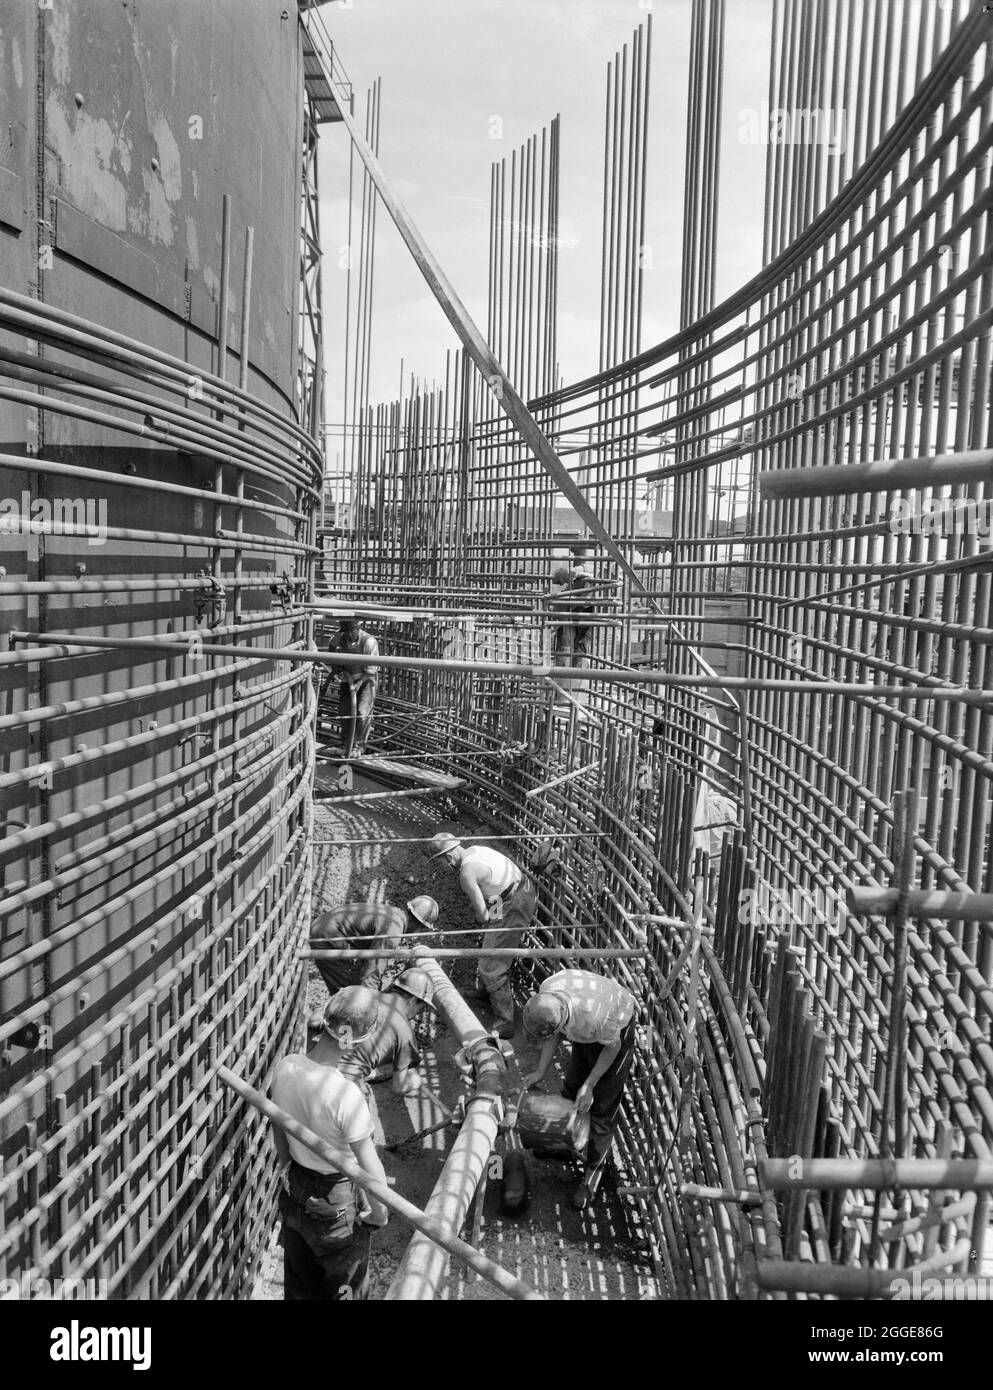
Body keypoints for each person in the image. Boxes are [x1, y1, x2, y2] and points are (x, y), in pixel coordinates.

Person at [270, 988, 390, 1300]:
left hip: (295, 1189)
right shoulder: (345, 1095)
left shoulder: (287, 1065)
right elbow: (369, 1165)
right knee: (343, 1288)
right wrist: (379, 1213)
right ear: (356, 1040)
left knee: (300, 1287)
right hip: (335, 1203)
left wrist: (285, 1165)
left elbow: (278, 1125)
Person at [521, 968, 637, 1209]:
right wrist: (540, 1071)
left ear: (564, 1016)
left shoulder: (595, 1016)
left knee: (601, 1110)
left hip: (613, 1036)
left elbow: (611, 1046)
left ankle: (591, 1179)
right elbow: (554, 1034)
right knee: (571, 1089)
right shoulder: (548, 991)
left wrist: (591, 1085)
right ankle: (564, 1144)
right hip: (585, 1031)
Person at [428, 833, 536, 1039]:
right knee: (490, 945)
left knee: (491, 965)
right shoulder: (476, 850)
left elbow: (482, 915)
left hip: (513, 903)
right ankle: (488, 993)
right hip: (511, 894)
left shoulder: (466, 874)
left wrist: (479, 919)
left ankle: (505, 1022)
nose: (441, 866)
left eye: (439, 861)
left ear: (448, 856)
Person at [309, 896, 439, 1000]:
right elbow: (373, 969)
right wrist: (370, 1000)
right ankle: (341, 1020)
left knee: (354, 986)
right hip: (327, 938)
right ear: (419, 926)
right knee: (351, 992)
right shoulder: (393, 930)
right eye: (421, 929)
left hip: (326, 929)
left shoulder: (394, 914)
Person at [334, 970, 437, 1096]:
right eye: (420, 1008)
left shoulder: (360, 993)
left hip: (319, 1066)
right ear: (412, 1000)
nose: (417, 1013)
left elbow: (315, 1020)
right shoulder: (404, 1031)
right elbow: (399, 1087)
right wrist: (414, 1082)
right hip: (348, 1084)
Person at [325, 614, 379, 756]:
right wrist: (336, 666)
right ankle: (346, 745)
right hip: (347, 680)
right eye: (346, 631)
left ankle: (359, 747)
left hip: (366, 680)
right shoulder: (340, 636)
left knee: (362, 714)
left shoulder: (369, 642)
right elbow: (331, 647)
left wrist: (359, 683)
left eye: (351, 631)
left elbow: (371, 670)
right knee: (344, 713)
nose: (349, 634)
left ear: (358, 628)